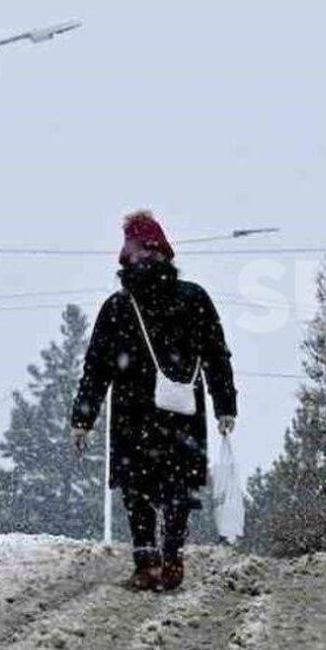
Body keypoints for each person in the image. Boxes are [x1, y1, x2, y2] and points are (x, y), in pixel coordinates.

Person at [70, 210, 237, 591]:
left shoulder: (117, 308)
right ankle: (172, 557)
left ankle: (147, 562)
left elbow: (96, 369)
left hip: (133, 414)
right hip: (181, 412)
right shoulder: (194, 298)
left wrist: (83, 417)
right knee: (178, 487)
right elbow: (217, 355)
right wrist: (225, 405)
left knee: (138, 489)